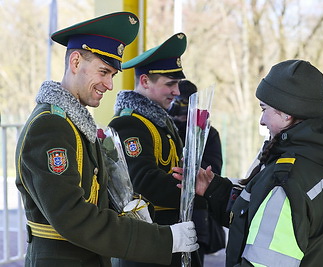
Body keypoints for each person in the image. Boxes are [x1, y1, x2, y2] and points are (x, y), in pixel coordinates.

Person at [15, 12, 198, 267]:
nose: (109, 85)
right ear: (76, 62)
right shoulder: (50, 126)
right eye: (103, 72)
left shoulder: (73, 123)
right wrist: (162, 239)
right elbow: (73, 217)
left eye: (112, 74)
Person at [173, 59, 323, 267]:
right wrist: (214, 189)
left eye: (264, 109)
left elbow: (264, 259)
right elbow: (262, 220)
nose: (261, 120)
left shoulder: (286, 180)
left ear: (287, 113)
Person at [108, 33, 204, 267]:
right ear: (144, 82)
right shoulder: (129, 123)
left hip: (174, 238)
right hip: (149, 247)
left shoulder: (159, 120)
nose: (177, 92)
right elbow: (143, 182)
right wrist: (199, 191)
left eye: (178, 84)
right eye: (169, 84)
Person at [168, 80, 226, 263]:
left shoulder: (207, 133)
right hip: (167, 211)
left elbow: (213, 170)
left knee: (193, 258)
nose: (183, 116)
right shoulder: (167, 129)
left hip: (197, 211)